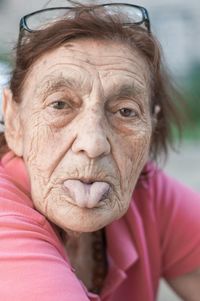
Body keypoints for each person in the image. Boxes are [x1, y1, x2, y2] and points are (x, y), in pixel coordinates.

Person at [0, 2, 199, 300]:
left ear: (151, 130)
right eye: (60, 104)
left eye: (125, 111)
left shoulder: (146, 191)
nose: (93, 144)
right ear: (14, 122)